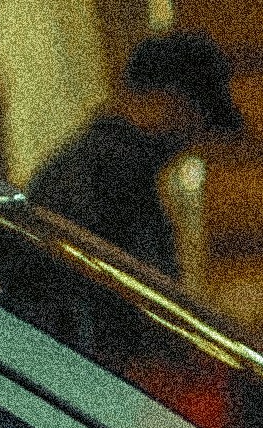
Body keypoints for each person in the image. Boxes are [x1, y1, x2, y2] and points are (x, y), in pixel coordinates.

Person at [24, 27, 242, 284]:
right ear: (167, 100)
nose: (192, 139)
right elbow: (143, 296)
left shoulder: (92, 164)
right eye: (194, 118)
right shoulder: (116, 176)